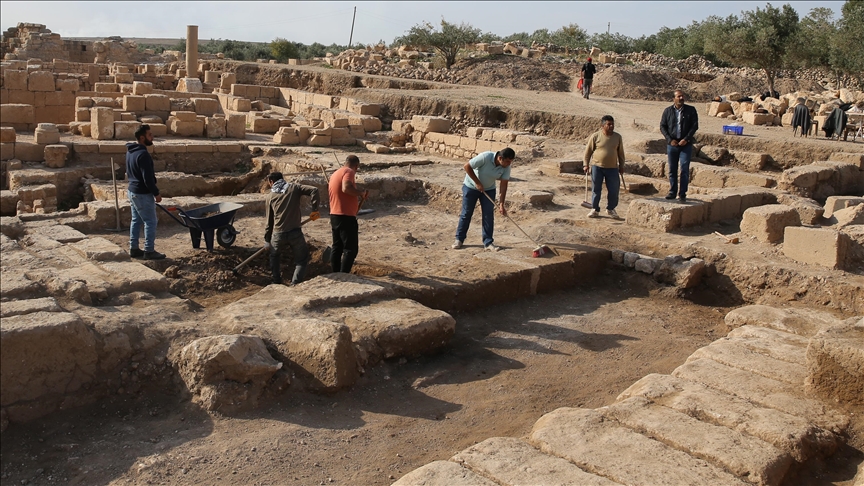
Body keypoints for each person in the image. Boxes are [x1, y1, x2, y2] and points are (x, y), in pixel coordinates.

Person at [452, 147, 514, 252]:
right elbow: (467, 166)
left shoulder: (506, 167)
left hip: (489, 190)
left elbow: (504, 185)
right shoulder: (485, 157)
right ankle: (459, 239)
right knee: (466, 213)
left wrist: (501, 204)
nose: (509, 164)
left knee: (488, 215)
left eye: (511, 162)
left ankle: (488, 242)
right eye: (507, 161)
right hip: (471, 187)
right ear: (500, 158)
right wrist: (477, 182)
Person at [264, 172, 320, 286]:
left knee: (274, 256)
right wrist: (314, 209)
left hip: (278, 234)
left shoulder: (270, 197)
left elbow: (269, 221)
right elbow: (314, 190)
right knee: (301, 259)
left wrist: (267, 239)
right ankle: (295, 283)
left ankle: (276, 281)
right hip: (295, 233)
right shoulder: (294, 188)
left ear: (271, 182)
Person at [126, 124, 165, 260]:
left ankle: (134, 248)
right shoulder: (143, 155)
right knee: (151, 221)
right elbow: (147, 178)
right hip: (142, 193)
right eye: (149, 135)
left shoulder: (131, 151)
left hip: (132, 191)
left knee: (136, 220)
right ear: (142, 138)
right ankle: (149, 250)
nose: (152, 137)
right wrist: (156, 193)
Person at [328, 155, 366, 274]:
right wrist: (361, 193)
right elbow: (346, 188)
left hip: (335, 214)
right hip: (345, 216)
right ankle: (344, 275)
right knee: (350, 249)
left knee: (337, 247)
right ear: (356, 166)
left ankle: (336, 273)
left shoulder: (336, 173)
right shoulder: (349, 171)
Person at [659, 89, 699, 202]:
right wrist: (669, 139)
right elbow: (662, 126)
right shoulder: (667, 111)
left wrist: (686, 139)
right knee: (672, 169)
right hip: (672, 144)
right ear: (673, 99)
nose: (681, 98)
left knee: (684, 169)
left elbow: (694, 126)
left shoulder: (691, 110)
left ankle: (682, 193)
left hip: (685, 144)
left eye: (682, 96)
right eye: (679, 96)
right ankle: (672, 192)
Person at [583, 115, 625, 219]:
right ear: (603, 125)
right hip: (597, 167)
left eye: (612, 124)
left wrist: (622, 166)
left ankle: (611, 209)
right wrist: (586, 164)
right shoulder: (595, 136)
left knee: (614, 189)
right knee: (596, 189)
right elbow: (588, 152)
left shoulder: (618, 137)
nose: (611, 126)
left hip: (613, 168)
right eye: (608, 124)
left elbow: (621, 153)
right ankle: (595, 209)